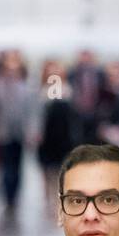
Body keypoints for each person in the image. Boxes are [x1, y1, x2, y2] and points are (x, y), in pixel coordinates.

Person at [0, 49, 34, 215]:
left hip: (18, 134)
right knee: (5, 166)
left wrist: (32, 131)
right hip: (1, 133)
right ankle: (7, 197)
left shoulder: (26, 88)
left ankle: (15, 196)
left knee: (17, 166)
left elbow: (31, 112)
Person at [36, 60, 79, 202]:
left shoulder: (68, 90)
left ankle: (58, 199)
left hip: (63, 136)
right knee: (46, 170)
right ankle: (48, 198)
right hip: (46, 136)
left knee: (62, 169)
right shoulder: (40, 91)